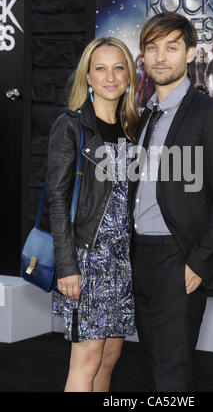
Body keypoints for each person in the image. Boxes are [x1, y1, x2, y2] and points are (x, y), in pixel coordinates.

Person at [130, 12, 213, 392]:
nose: (160, 57)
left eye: (172, 47)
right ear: (143, 56)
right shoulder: (144, 115)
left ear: (191, 53)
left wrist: (199, 261)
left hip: (178, 258)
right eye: (152, 48)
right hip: (140, 255)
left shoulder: (210, 114)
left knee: (172, 373)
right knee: (151, 365)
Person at [46, 37, 139, 392]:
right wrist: (67, 265)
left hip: (123, 262)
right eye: (100, 68)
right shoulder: (71, 126)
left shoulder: (134, 129)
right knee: (86, 359)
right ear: (87, 76)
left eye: (119, 68)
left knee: (109, 358)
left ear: (130, 76)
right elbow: (56, 199)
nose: (110, 76)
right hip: (87, 259)